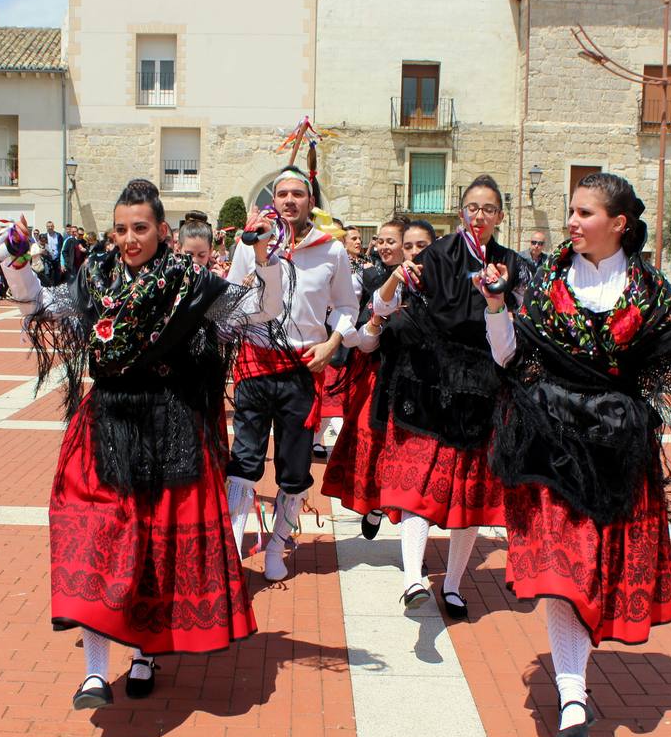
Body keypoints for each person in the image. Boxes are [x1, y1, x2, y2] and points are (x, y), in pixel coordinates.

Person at [0, 181, 284, 709]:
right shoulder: (93, 279)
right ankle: (95, 674)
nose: (130, 239)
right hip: (104, 421)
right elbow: (36, 305)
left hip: (169, 424)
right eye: (122, 229)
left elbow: (259, 312)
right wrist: (16, 261)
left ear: (162, 231)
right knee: (95, 534)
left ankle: (145, 655)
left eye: (141, 228)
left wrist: (263, 257)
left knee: (153, 547)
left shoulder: (191, 284)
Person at [478, 172, 671, 737]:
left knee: (598, 569)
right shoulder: (545, 284)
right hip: (555, 445)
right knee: (562, 574)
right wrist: (494, 306)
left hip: (619, 448)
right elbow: (510, 355)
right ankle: (571, 694)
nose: (571, 222)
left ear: (619, 224)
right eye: (571, 211)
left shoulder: (651, 289)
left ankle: (574, 680)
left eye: (584, 213)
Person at [371, 174, 529, 617]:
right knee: (417, 484)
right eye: (473, 207)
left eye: (489, 210)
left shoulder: (512, 263)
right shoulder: (438, 254)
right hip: (431, 385)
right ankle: (411, 577)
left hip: (483, 389)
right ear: (462, 211)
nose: (480, 216)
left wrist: (502, 300)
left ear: (500, 216)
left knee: (470, 496)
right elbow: (395, 307)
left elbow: (522, 319)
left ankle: (454, 585)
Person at [224, 165, 359, 582]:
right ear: (273, 199)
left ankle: (278, 546)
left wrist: (332, 343)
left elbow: (349, 308)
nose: (288, 200)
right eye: (281, 193)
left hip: (304, 368)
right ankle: (229, 548)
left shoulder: (331, 251)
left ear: (310, 202)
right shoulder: (251, 244)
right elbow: (231, 298)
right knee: (243, 460)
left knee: (295, 467)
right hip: (255, 360)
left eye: (297, 194)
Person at [322, 218, 412, 540]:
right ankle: (375, 504)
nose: (386, 246)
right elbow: (356, 332)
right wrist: (370, 326)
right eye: (382, 241)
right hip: (374, 371)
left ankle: (407, 522)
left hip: (413, 375)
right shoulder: (366, 276)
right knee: (372, 440)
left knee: (407, 448)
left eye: (393, 241)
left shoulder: (423, 280)